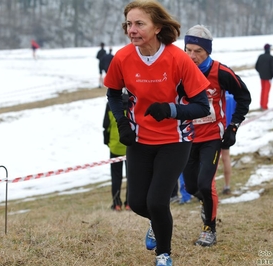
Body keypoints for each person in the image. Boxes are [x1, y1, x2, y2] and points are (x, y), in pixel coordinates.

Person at [104, 1, 211, 265]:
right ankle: (156, 222)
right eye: (129, 24)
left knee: (157, 201)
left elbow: (201, 106)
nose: (132, 30)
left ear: (157, 27)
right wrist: (123, 124)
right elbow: (113, 94)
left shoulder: (178, 59)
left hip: (175, 140)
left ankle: (164, 254)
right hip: (139, 139)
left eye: (139, 23)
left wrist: (171, 109)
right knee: (138, 203)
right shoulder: (123, 58)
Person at [182, 24, 251, 247]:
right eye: (188, 50)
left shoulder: (220, 72)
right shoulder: (179, 70)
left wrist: (233, 127)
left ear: (208, 52)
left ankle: (208, 230)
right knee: (191, 187)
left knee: (205, 183)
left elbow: (244, 97)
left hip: (212, 136)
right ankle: (208, 205)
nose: (192, 56)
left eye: (198, 51)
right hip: (187, 137)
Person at [103, 91, 130, 211]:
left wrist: (107, 141)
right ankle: (129, 203)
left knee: (116, 176)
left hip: (115, 145)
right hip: (130, 145)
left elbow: (106, 125)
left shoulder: (111, 104)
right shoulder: (131, 102)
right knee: (132, 176)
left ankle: (117, 203)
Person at [221, 91, 237, 195]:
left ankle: (209, 186)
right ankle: (227, 186)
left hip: (217, 128)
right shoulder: (232, 96)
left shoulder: (218, 94)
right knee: (226, 157)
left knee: (213, 159)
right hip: (229, 130)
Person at [255, 43, 273, 110]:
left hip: (262, 77)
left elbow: (256, 67)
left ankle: (262, 105)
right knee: (266, 91)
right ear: (269, 49)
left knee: (263, 91)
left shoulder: (260, 56)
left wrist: (261, 73)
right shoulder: (271, 58)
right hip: (268, 78)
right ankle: (264, 106)